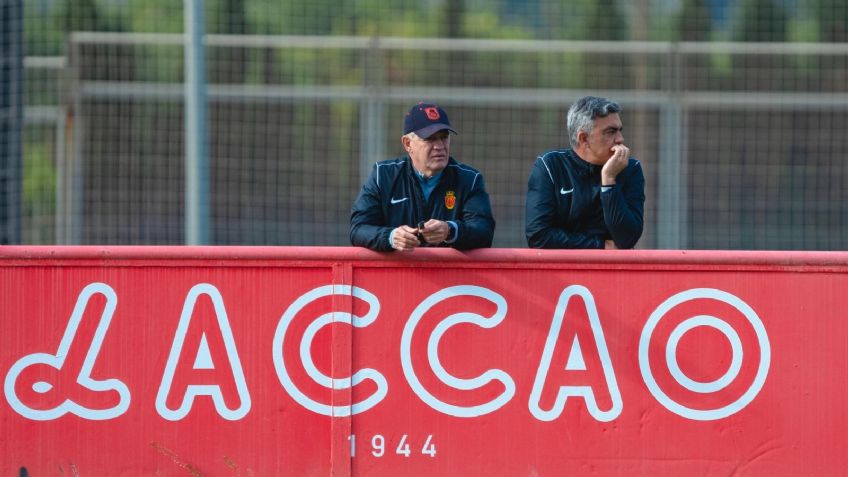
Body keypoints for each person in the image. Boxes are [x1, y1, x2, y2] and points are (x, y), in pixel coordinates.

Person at [350, 102, 495, 251]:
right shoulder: (383, 176)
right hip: (398, 274)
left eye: (444, 137)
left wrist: (450, 230)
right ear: (407, 144)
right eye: (430, 138)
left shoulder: (469, 180)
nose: (439, 146)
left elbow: (484, 231)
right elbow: (358, 229)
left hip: (449, 274)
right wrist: (391, 237)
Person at [525, 96, 645, 249]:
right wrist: (600, 246)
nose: (620, 139)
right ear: (584, 138)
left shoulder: (630, 168)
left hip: (610, 272)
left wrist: (609, 180)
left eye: (620, 130)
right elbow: (538, 236)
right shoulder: (550, 166)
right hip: (560, 271)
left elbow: (626, 239)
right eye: (611, 132)